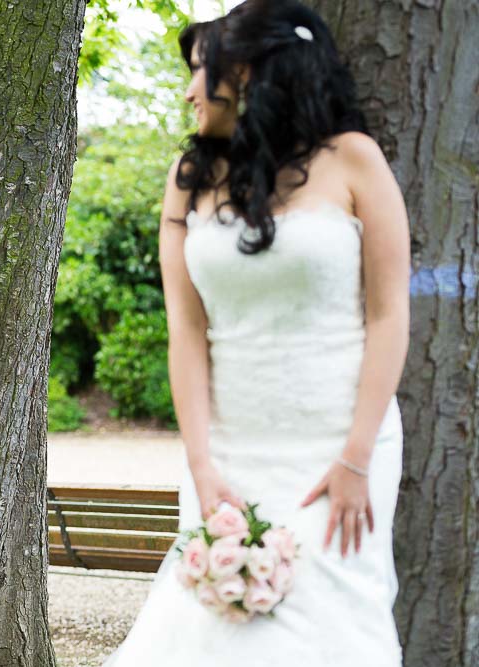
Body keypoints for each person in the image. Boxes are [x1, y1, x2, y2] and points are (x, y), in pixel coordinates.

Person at [104, 1, 410, 664]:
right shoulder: (188, 182)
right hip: (228, 455)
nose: (188, 91)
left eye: (198, 72)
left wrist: (357, 456)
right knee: (207, 635)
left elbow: (390, 314)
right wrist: (202, 466)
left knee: (330, 633)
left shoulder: (356, 162)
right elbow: (185, 332)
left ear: (247, 75)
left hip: (342, 451)